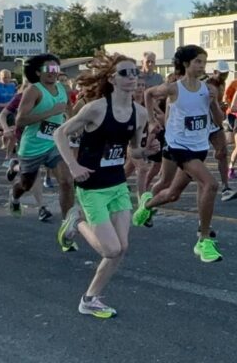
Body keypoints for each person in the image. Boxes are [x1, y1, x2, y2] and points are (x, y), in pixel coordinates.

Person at [53, 53, 151, 319]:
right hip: (92, 186)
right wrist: (73, 167)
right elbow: (59, 133)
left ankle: (90, 299)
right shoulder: (96, 108)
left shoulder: (140, 113)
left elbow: (133, 150)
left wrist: (147, 153)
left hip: (118, 184)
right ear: (112, 79)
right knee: (112, 249)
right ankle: (77, 221)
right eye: (124, 73)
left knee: (122, 249)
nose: (131, 77)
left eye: (134, 73)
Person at [133, 45, 225, 263]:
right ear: (186, 64)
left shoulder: (207, 89)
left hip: (199, 147)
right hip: (178, 145)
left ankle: (146, 205)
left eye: (204, 62)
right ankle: (203, 239)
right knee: (210, 184)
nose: (202, 66)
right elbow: (148, 93)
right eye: (198, 62)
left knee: (171, 192)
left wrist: (213, 102)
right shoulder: (174, 88)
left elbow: (219, 121)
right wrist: (152, 120)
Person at [12, 54, 76, 250]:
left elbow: (69, 111)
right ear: (38, 72)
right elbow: (20, 120)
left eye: (56, 69)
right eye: (48, 70)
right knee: (25, 183)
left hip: (54, 143)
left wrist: (72, 126)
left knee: (66, 181)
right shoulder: (33, 90)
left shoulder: (64, 89)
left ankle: (66, 227)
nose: (52, 73)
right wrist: (51, 112)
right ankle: (14, 197)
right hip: (32, 146)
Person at [0, 81, 52, 222]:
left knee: (41, 171)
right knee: (34, 174)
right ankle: (42, 207)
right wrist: (5, 128)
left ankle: (15, 166)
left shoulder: (53, 96)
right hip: (26, 138)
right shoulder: (21, 97)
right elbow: (3, 115)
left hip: (46, 138)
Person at [205, 61, 237, 201]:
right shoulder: (205, 84)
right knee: (194, 158)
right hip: (202, 123)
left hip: (215, 123)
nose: (224, 77)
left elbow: (218, 104)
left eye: (225, 74)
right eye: (221, 74)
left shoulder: (222, 84)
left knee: (223, 152)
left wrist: (221, 106)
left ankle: (226, 187)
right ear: (214, 72)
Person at [0, 69, 17, 156]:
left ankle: (9, 147)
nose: (7, 80)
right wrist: (5, 105)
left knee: (13, 124)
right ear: (0, 77)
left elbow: (15, 99)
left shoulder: (12, 86)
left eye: (9, 77)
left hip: (9, 112)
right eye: (4, 77)